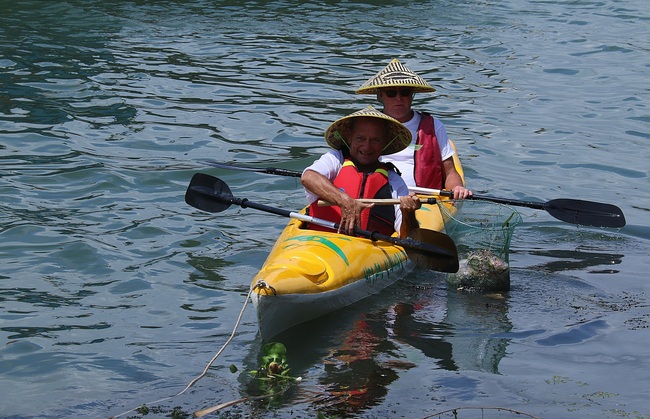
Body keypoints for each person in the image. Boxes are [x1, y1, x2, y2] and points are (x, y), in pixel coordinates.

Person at [356, 58, 473, 200]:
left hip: (424, 200)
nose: (398, 98)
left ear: (412, 95)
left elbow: (450, 173)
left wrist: (457, 188)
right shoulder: (367, 124)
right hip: (378, 197)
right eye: (391, 93)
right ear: (381, 94)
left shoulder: (434, 126)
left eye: (404, 92)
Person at [301, 106, 421, 239]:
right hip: (320, 243)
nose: (367, 146)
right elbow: (308, 177)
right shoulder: (336, 159)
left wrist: (408, 214)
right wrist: (344, 200)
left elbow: (408, 237)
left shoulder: (395, 181)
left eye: (375, 140)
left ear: (385, 143)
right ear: (349, 137)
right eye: (360, 138)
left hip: (367, 251)